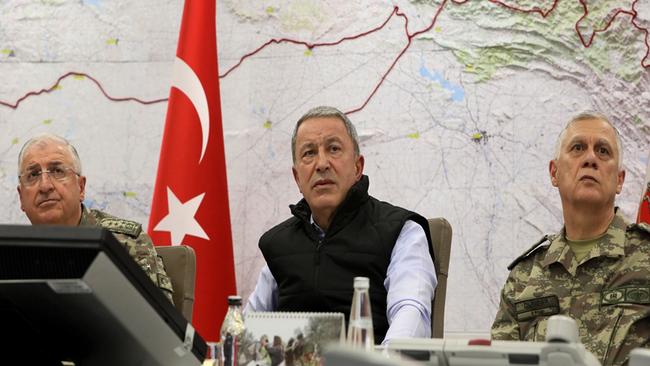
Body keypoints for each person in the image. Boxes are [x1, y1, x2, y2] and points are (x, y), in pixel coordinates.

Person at [246, 106, 437, 344]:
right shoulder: (278, 244)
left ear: (358, 167)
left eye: (333, 149)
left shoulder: (401, 231)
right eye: (309, 153)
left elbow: (411, 315)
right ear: (297, 178)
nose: (322, 164)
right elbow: (250, 330)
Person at [491, 112, 650, 366]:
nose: (590, 159)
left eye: (603, 151)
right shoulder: (524, 277)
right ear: (554, 172)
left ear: (619, 180)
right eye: (578, 148)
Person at [16, 133, 174, 302]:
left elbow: (156, 321)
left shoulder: (123, 243)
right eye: (33, 175)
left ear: (81, 187)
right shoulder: (12, 255)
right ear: (21, 198)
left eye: (57, 171)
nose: (45, 186)